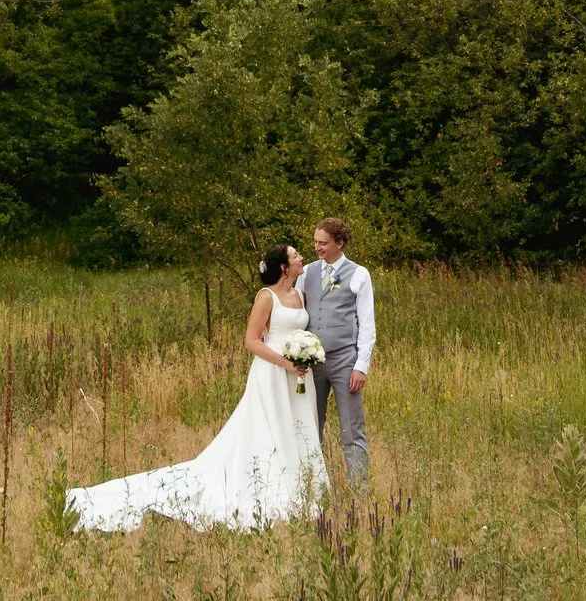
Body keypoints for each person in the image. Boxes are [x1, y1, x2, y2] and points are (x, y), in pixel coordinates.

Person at [65, 242, 329, 531]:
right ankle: (273, 487)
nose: (301, 257)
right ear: (283, 266)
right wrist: (286, 363)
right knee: (271, 429)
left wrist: (306, 353)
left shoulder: (300, 294)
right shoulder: (267, 297)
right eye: (295, 255)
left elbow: (302, 329)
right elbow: (251, 341)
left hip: (299, 375)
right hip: (274, 373)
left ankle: (304, 487)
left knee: (298, 427)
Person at [298, 217, 374, 483]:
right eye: (315, 241)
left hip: (345, 361)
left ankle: (360, 491)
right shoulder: (305, 272)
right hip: (311, 363)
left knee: (352, 429)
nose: (317, 247)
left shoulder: (359, 274)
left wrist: (360, 366)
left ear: (339, 243)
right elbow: (295, 310)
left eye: (323, 243)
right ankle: (313, 486)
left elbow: (367, 324)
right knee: (309, 426)